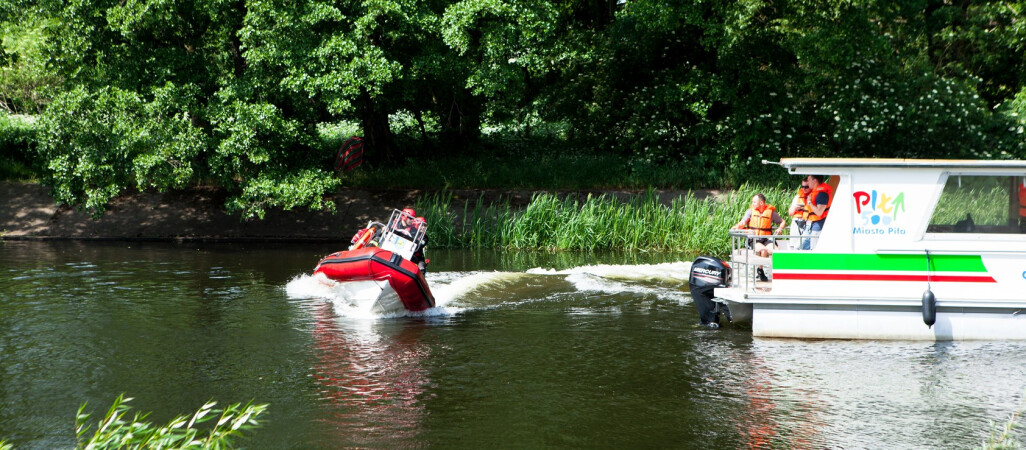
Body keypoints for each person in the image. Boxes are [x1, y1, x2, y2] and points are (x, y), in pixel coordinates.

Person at [731, 193, 786, 258]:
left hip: (766, 239)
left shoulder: (770, 213)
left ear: (761, 203)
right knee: (763, 250)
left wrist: (780, 228)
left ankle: (774, 268)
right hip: (753, 239)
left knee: (776, 251)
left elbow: (783, 222)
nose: (752, 204)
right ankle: (760, 268)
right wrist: (737, 227)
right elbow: (742, 223)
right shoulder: (750, 212)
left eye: (754, 202)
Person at [801, 175, 832, 250]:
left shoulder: (822, 194)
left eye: (808, 180)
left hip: (819, 225)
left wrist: (809, 203)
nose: (807, 183)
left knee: (814, 248)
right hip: (812, 224)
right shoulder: (815, 192)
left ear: (814, 181)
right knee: (802, 247)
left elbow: (819, 212)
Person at [787, 181, 810, 248]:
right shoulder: (798, 197)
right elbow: (790, 213)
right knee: (794, 244)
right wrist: (795, 207)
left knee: (806, 245)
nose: (804, 189)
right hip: (797, 221)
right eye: (802, 187)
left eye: (806, 187)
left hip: (808, 222)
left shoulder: (813, 196)